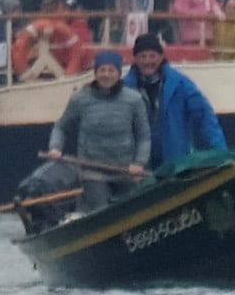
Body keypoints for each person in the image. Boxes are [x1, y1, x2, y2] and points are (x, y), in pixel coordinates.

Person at [28, 47, 154, 217]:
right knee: (103, 213)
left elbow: (143, 136)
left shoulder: (134, 99)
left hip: (126, 172)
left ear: (119, 73)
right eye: (102, 70)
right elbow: (61, 127)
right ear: (95, 73)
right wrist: (55, 148)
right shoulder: (81, 99)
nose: (106, 75)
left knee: (128, 214)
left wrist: (139, 162)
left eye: (111, 70)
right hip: (93, 173)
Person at [125, 32, 225, 165]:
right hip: (137, 164)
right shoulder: (124, 88)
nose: (147, 61)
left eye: (152, 56)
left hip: (174, 162)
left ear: (161, 57)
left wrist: (221, 152)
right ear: (135, 59)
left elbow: (204, 116)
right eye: (142, 56)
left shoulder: (181, 84)